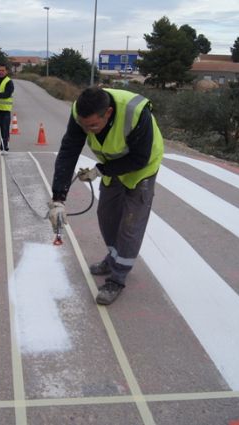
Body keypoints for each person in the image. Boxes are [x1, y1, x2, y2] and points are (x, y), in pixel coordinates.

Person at [48, 87, 164, 305]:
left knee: (130, 224)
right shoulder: (80, 113)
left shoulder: (136, 113)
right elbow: (69, 151)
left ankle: (118, 278)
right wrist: (58, 199)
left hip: (142, 168)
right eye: (84, 126)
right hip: (112, 165)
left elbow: (139, 158)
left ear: (108, 113)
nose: (89, 131)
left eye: (93, 125)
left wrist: (100, 170)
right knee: (107, 215)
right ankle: (113, 258)